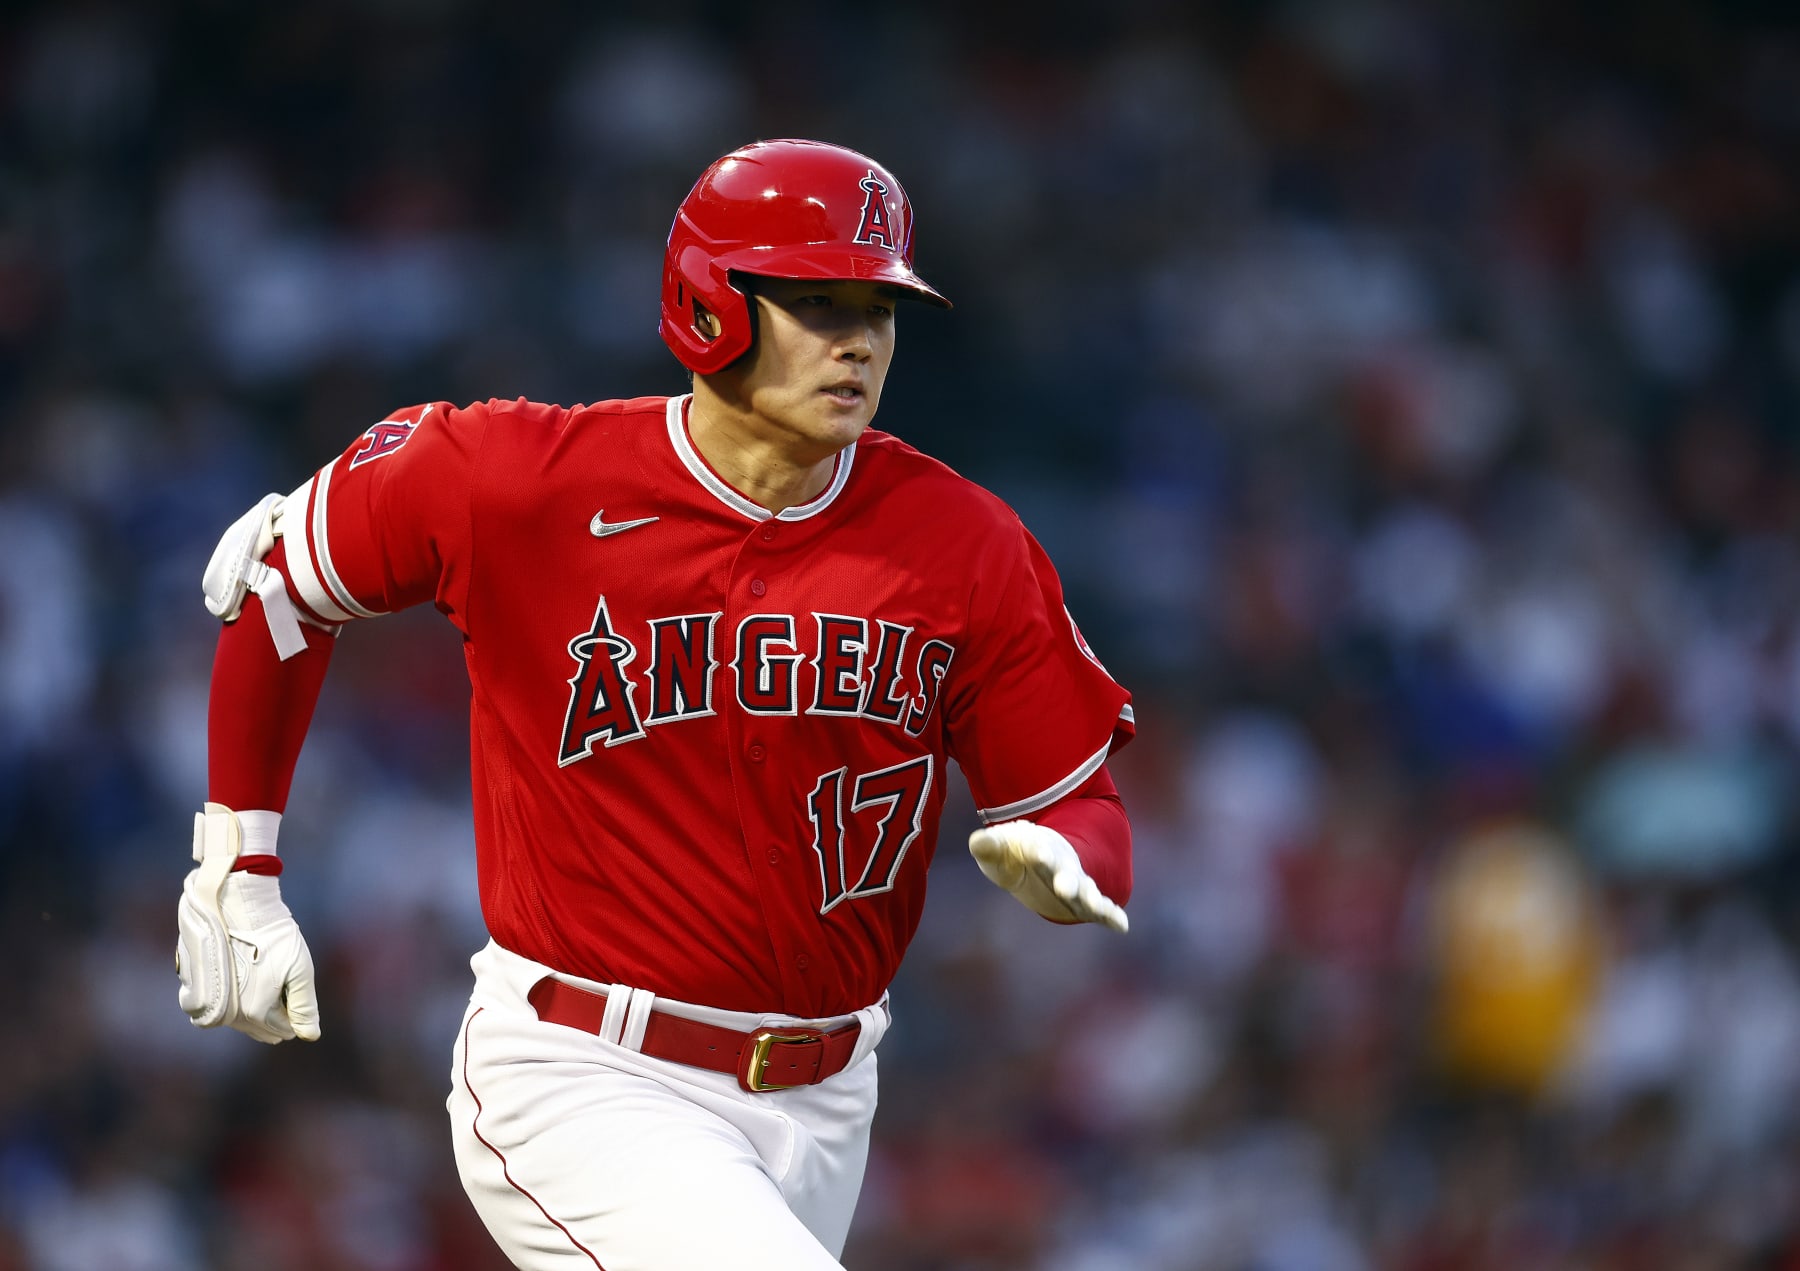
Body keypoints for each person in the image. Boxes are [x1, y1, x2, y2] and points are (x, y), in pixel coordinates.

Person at [177, 138, 1136, 1268]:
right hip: (586, 1070)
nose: (861, 340)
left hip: (830, 1099)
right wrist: (236, 864)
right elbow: (277, 579)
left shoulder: (963, 542)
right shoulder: (522, 478)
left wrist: (1071, 860)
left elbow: (1082, 805)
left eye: (880, 307)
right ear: (710, 305)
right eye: (819, 302)